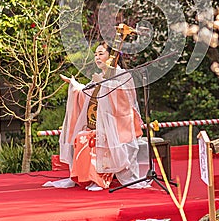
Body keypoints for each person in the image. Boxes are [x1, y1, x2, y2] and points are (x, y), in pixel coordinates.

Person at [44, 42, 148, 191]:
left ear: (112, 57)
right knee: (81, 136)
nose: (97, 57)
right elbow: (86, 93)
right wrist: (74, 85)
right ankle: (87, 178)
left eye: (101, 54)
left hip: (118, 127)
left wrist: (106, 85)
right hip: (99, 125)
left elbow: (125, 100)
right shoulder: (100, 77)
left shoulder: (122, 75)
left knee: (94, 139)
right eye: (96, 54)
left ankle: (100, 179)